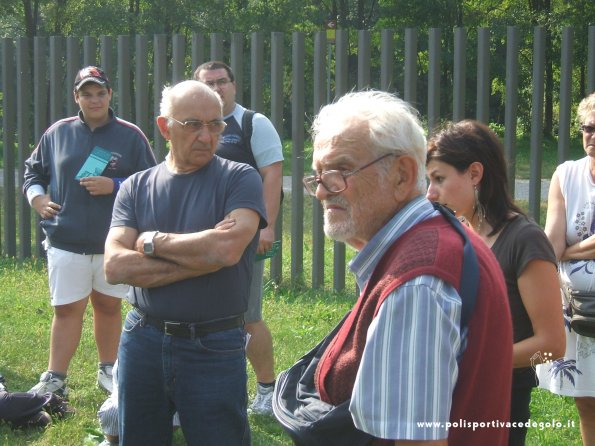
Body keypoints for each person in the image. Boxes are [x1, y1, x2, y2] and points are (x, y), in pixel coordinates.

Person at [300, 90, 513, 444]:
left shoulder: (418, 282)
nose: (322, 191)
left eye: (339, 171)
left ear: (402, 175)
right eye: (318, 174)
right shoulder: (435, 236)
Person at [103, 80, 267, 445]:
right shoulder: (135, 186)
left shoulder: (240, 178)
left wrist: (151, 241)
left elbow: (225, 251)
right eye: (193, 124)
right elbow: (115, 267)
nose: (207, 136)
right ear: (165, 127)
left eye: (216, 124)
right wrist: (201, 259)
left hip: (213, 343)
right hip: (142, 339)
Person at [426, 120, 565, 445]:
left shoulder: (525, 240)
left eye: (439, 179)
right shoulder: (453, 234)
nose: (430, 192)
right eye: (429, 180)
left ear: (475, 174)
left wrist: (475, 359)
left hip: (500, 400)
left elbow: (551, 346)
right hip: (447, 392)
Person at [23, 66, 156, 397]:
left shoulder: (130, 135)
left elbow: (153, 183)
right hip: (66, 241)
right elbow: (32, 172)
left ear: (110, 95)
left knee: (109, 308)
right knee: (66, 309)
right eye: (86, 93)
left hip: (114, 242)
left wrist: (113, 185)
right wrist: (38, 199)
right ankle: (55, 378)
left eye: (100, 93)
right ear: (76, 98)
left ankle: (108, 370)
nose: (94, 99)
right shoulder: (57, 133)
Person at [193, 61, 283, 415]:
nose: (216, 88)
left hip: (244, 239)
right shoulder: (195, 127)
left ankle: (266, 390)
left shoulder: (252, 124)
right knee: (202, 313)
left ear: (233, 85)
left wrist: (266, 225)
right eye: (208, 83)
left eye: (222, 81)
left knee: (246, 315)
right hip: (200, 238)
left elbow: (272, 175)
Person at [536, 92, 595, 445]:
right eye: (588, 128)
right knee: (587, 400)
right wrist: (573, 251)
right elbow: (551, 245)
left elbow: (564, 250)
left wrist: (569, 252)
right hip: (578, 311)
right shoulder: (566, 175)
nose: (593, 136)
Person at [96, 361, 180, 446]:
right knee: (112, 414)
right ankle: (113, 442)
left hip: (165, 395)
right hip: (130, 395)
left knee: (173, 413)